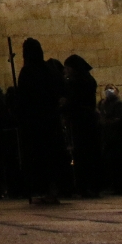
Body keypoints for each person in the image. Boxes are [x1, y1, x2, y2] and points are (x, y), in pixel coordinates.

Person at [13, 38, 64, 205]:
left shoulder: (28, 72)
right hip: (50, 119)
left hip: (35, 122)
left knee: (41, 157)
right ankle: (52, 190)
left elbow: (23, 98)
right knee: (51, 156)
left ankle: (46, 190)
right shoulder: (49, 70)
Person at [61, 55, 101, 198]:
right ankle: (92, 186)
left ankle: (85, 186)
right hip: (87, 120)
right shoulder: (88, 80)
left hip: (81, 121)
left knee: (83, 154)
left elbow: (73, 102)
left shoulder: (77, 82)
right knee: (90, 153)